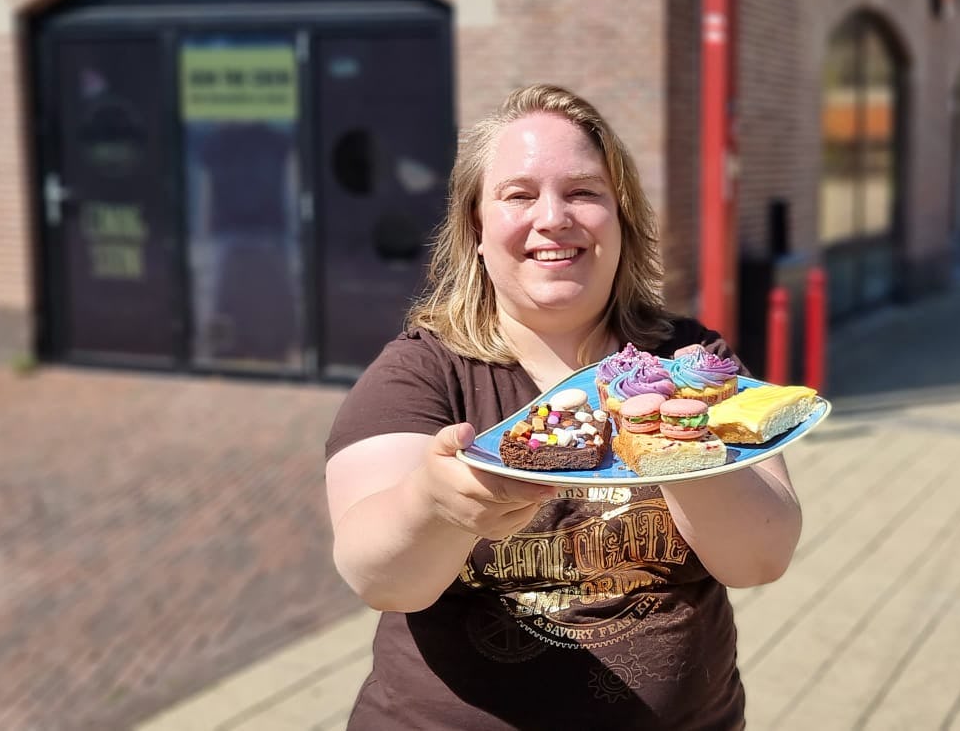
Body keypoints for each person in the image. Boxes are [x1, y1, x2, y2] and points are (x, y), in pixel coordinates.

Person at [324, 84, 803, 729]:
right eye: (519, 195)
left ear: (621, 216)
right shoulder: (421, 372)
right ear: (476, 226)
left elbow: (759, 559)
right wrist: (436, 505)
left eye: (582, 192)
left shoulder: (692, 365)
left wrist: (676, 437)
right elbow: (379, 578)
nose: (553, 218)